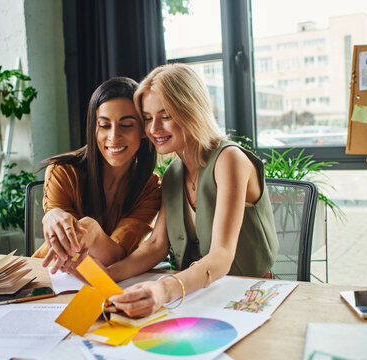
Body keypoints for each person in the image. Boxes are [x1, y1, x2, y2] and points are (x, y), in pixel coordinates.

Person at [104, 63, 279, 318]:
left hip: (249, 295)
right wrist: (103, 276)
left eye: (166, 116)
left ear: (191, 111)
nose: (154, 129)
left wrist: (163, 290)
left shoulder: (229, 159)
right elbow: (156, 245)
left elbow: (221, 254)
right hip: (199, 295)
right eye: (148, 118)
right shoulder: (174, 172)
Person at [33, 77, 161, 271]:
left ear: (143, 130)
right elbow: (67, 251)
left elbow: (116, 255)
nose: (113, 136)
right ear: (94, 128)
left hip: (108, 281)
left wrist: (93, 231)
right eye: (104, 125)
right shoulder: (63, 172)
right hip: (49, 277)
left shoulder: (149, 187)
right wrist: (52, 215)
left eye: (126, 125)